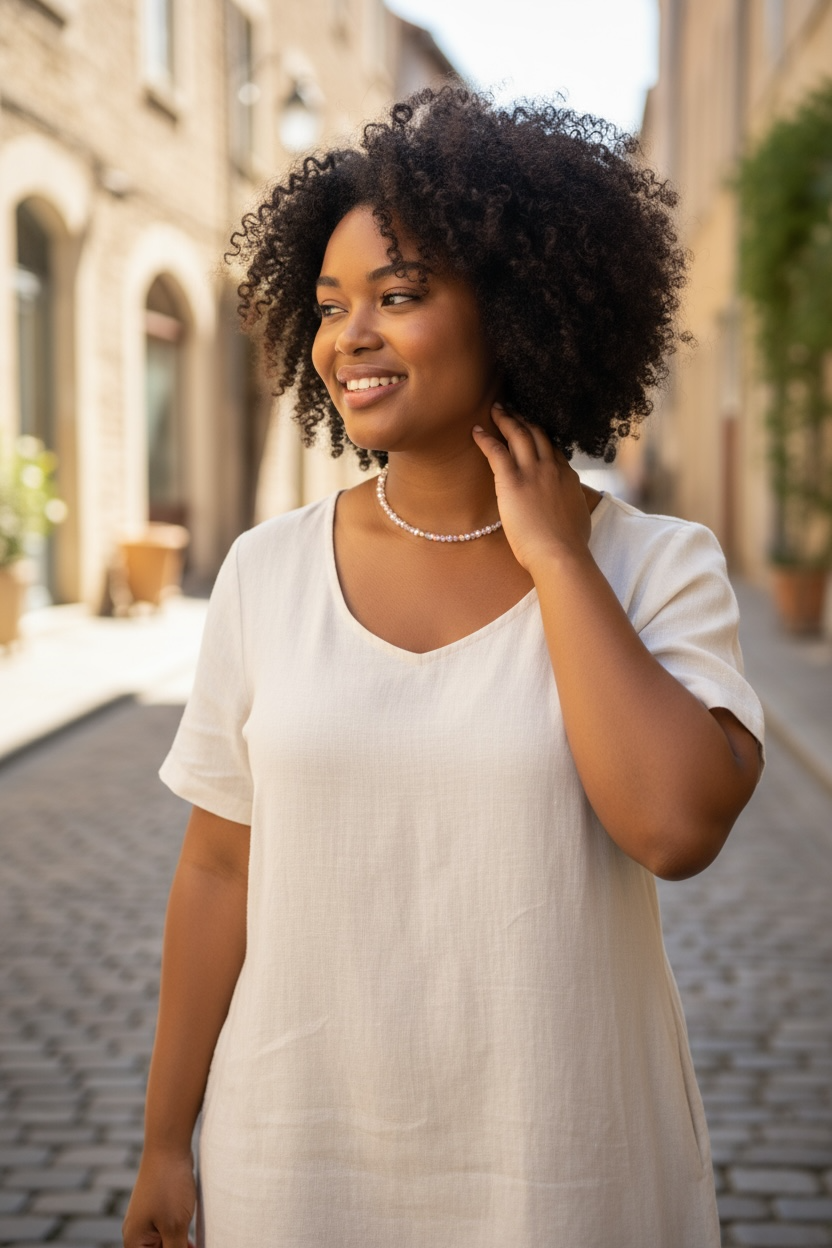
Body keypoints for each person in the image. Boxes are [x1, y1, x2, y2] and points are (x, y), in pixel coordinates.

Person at [123, 86, 764, 1248]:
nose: (347, 337)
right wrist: (166, 1144)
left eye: (399, 295)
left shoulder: (655, 565)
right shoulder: (267, 572)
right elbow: (216, 869)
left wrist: (556, 560)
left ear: (514, 308)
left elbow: (675, 828)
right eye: (329, 307)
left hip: (562, 1174)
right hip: (295, 1166)